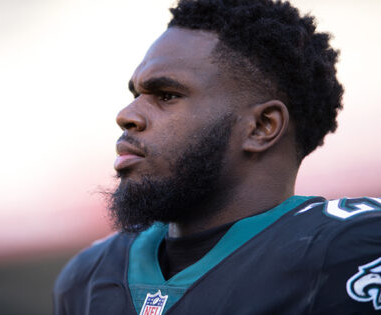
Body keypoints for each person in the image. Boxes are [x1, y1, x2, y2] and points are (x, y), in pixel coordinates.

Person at [53, 0, 381, 314]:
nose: (127, 115)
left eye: (167, 95)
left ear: (261, 127)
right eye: (136, 94)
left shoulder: (350, 251)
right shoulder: (88, 276)